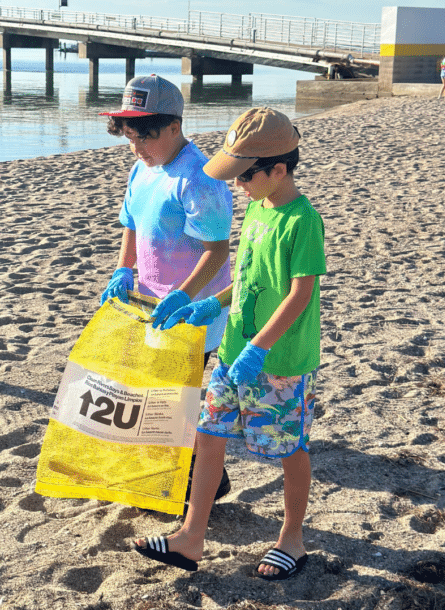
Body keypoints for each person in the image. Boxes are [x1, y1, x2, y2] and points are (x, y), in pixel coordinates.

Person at [131, 107, 326, 581]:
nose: (237, 185)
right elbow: (246, 278)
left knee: (288, 447)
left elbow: (300, 293)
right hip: (235, 350)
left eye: (245, 176)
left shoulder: (302, 221)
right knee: (209, 431)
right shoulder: (259, 208)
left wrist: (260, 347)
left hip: (279, 359)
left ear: (279, 169)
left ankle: (292, 539)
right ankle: (191, 536)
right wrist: (212, 305)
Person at [99, 74, 234, 501]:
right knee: (156, 395)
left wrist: (184, 296)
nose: (136, 147)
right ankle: (196, 476)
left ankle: (200, 483)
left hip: (192, 311)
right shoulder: (143, 168)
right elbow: (132, 225)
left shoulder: (199, 178)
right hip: (149, 303)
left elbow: (216, 251)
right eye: (129, 137)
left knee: (175, 400)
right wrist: (123, 270)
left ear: (174, 126)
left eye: (144, 137)